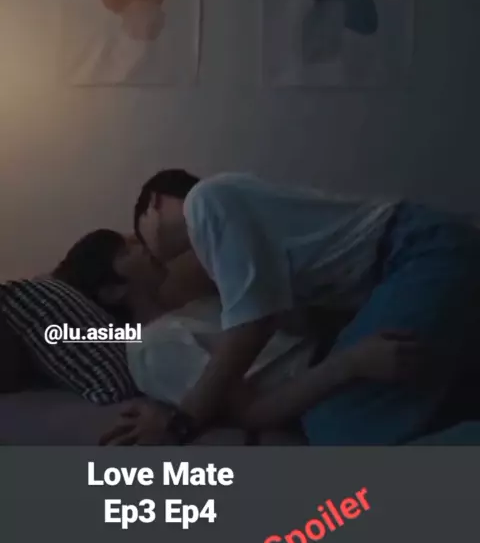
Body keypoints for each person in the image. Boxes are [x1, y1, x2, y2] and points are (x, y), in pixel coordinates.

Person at [121, 169, 480, 445]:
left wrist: (179, 425)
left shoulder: (203, 200)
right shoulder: (231, 243)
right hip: (406, 262)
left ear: (154, 204)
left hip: (417, 251)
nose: (143, 248)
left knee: (336, 427)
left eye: (139, 236)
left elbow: (252, 329)